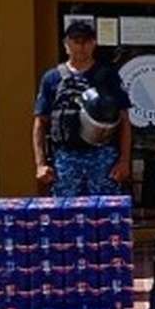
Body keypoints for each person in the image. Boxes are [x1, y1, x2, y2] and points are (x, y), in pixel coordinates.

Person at [33, 21, 133, 196]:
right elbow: (40, 123)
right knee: (65, 216)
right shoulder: (52, 78)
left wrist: (124, 161)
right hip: (66, 158)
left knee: (105, 215)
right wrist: (41, 164)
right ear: (66, 44)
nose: (81, 46)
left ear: (94, 44)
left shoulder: (108, 76)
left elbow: (124, 120)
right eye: (76, 41)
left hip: (103, 157)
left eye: (86, 41)